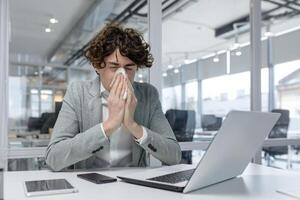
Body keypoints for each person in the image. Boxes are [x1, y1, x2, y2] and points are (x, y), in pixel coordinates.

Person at [45, 24, 181, 171]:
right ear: (98, 66)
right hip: (90, 185)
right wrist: (109, 126)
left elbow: (174, 155)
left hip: (134, 186)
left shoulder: (148, 94)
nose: (122, 75)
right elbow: (53, 158)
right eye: (114, 67)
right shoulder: (78, 92)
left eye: (129, 68)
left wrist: (132, 125)